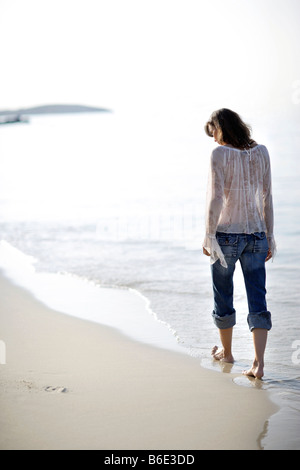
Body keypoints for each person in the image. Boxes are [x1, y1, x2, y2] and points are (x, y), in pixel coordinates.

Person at [203, 108, 276, 380]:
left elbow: (215, 199)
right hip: (257, 235)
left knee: (223, 296)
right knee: (258, 298)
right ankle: (259, 365)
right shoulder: (262, 152)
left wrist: (209, 236)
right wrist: (270, 237)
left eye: (214, 133)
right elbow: (267, 198)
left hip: (226, 236)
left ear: (221, 128)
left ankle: (228, 352)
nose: (214, 140)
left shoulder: (219, 155)